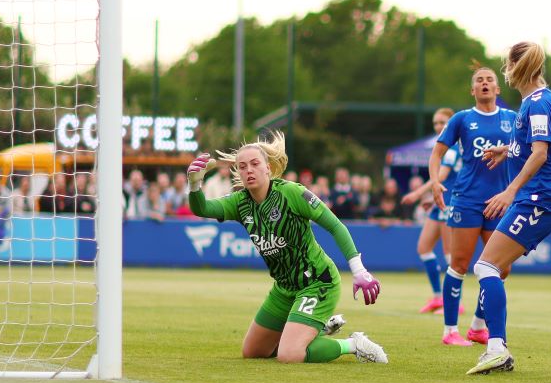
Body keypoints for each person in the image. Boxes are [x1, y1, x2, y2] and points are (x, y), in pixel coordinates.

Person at [187, 131, 387, 364]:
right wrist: (194, 184)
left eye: (254, 164)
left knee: (289, 354)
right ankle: (315, 331)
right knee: (253, 352)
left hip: (317, 282)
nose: (248, 170)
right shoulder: (240, 203)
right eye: (242, 166)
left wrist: (359, 270)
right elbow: (202, 209)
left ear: (268, 169)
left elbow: (335, 226)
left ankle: (354, 344)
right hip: (284, 289)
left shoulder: (292, 193)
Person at [466, 42, 551, 375]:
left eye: (507, 63)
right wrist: (507, 149)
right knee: (490, 267)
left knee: (486, 267)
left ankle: (496, 347)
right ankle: (493, 343)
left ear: (514, 67)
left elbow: (540, 153)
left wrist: (510, 190)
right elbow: (534, 147)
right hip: (536, 197)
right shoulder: (538, 101)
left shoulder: (536, 103)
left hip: (537, 199)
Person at [429, 67, 516, 346]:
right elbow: (437, 153)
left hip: (499, 201)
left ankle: (478, 326)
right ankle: (450, 331)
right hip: (466, 199)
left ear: (498, 89)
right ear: (473, 90)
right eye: (479, 81)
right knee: (460, 264)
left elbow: (530, 150)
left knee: (501, 268)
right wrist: (434, 182)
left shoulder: (512, 119)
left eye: (490, 80)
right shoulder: (462, 119)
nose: (485, 84)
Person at [401, 107, 459, 314]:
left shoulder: (452, 148)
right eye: (435, 123)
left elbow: (442, 176)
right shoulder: (442, 147)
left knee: (449, 254)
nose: (438, 127)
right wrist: (429, 197)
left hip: (450, 201)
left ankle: (454, 303)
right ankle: (437, 297)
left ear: (451, 123)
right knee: (424, 247)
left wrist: (417, 194)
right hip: (438, 200)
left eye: (443, 122)